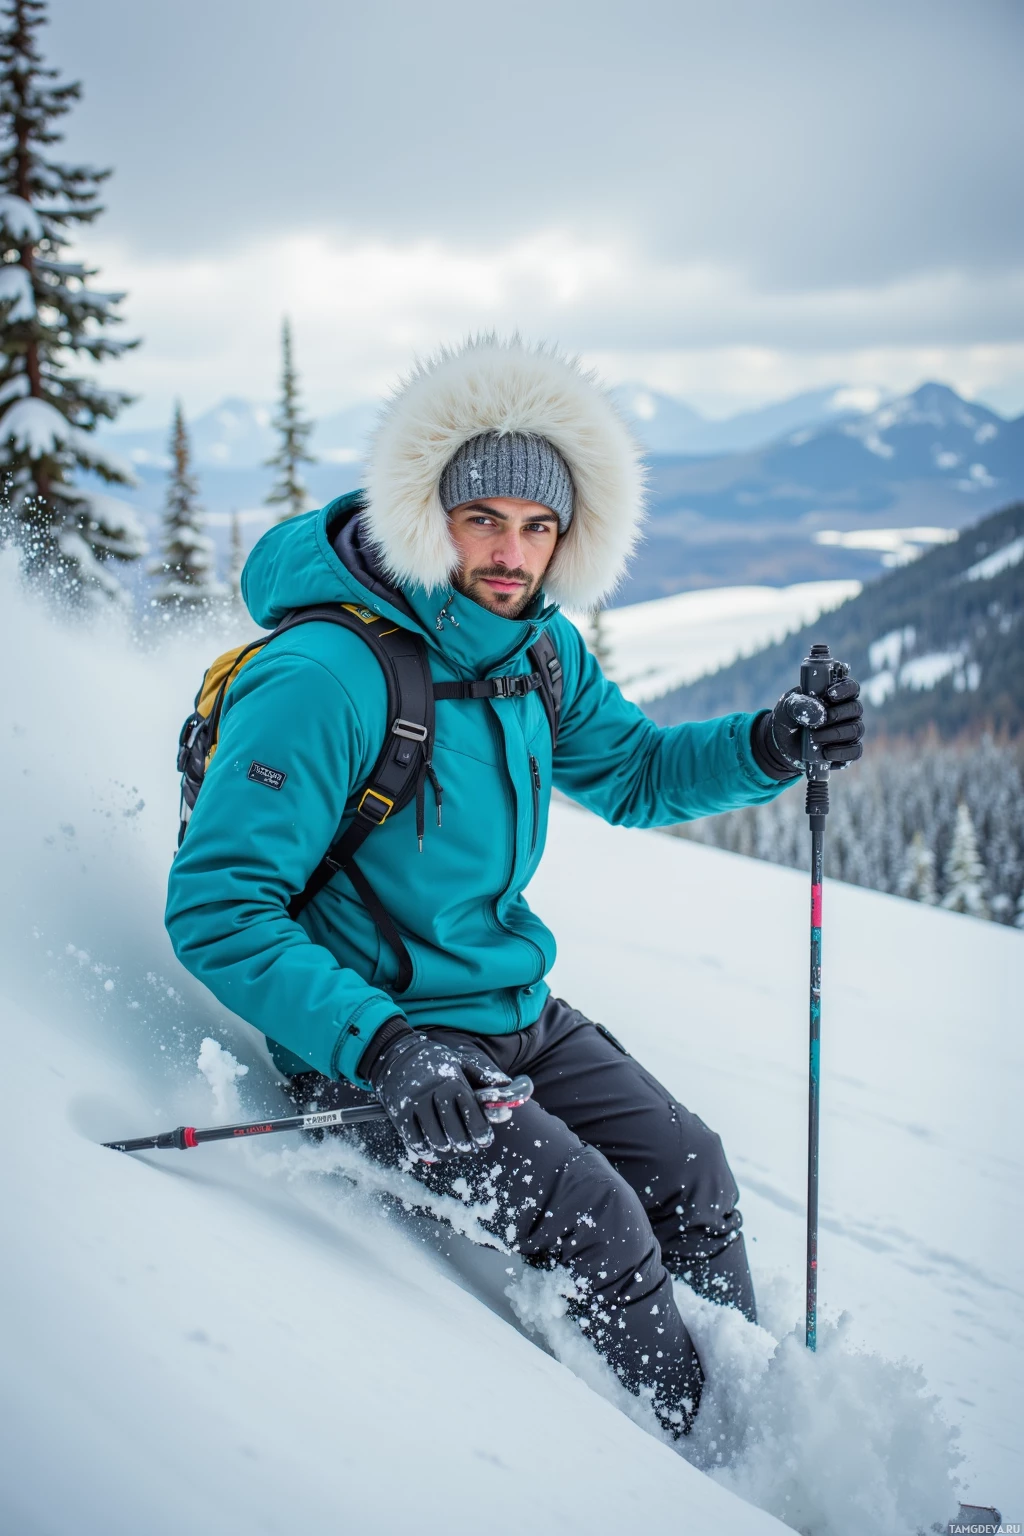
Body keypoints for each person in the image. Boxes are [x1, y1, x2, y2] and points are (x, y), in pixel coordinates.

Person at [165, 336, 863, 1434]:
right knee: (601, 1223)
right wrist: (387, 1047)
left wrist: (770, 744)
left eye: (537, 526)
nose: (511, 551)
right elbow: (218, 907)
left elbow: (632, 773)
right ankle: (719, 1475)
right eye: (482, 517)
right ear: (424, 513)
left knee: (693, 1174)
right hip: (380, 1053)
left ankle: (783, 1435)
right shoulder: (324, 677)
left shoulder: (533, 650)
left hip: (509, 1015)